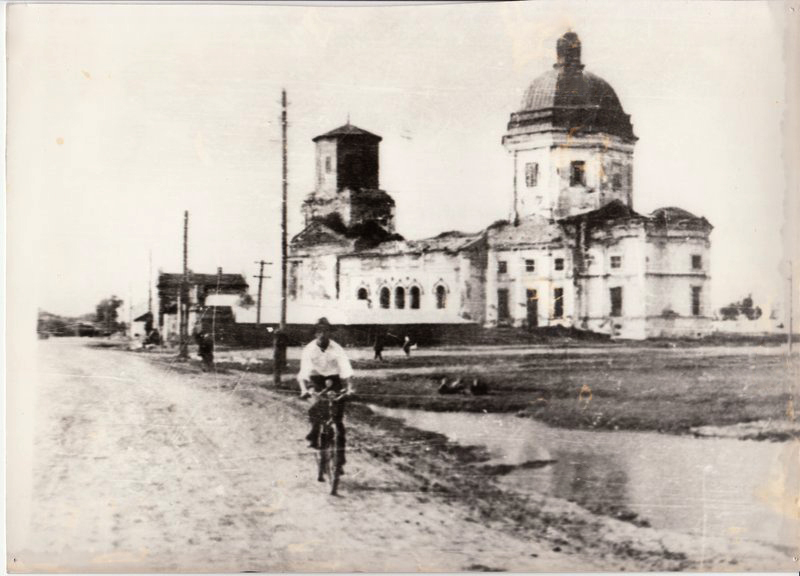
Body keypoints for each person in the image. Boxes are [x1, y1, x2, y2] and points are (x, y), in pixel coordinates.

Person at [297, 318, 354, 471]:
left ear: (329, 332)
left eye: (326, 331)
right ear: (315, 333)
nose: (322, 334)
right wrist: (304, 390)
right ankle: (314, 435)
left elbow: (346, 369)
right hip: (316, 380)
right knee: (316, 407)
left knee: (338, 422)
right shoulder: (309, 349)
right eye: (319, 331)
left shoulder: (337, 348)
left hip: (334, 380)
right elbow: (303, 373)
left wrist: (349, 388)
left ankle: (340, 461)